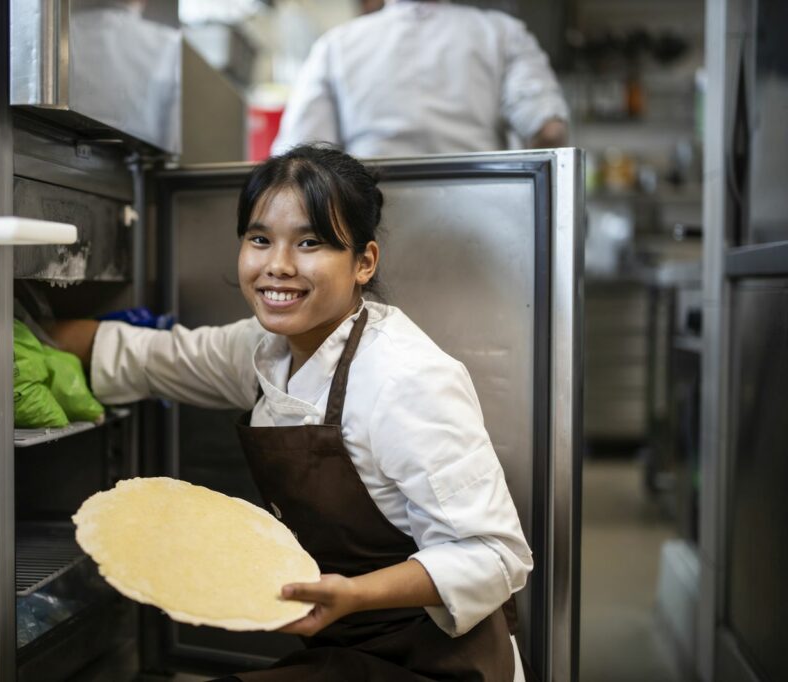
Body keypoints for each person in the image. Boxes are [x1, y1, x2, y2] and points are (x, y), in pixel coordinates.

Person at [49, 144, 533, 681]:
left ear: (364, 262)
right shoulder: (265, 349)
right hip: (345, 649)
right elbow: (156, 357)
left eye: (309, 242)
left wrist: (354, 594)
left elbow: (495, 554)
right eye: (260, 239)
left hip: (441, 660)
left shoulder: (405, 379)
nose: (277, 266)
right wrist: (16, 332)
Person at [271, 0, 569, 157]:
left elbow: (301, 155)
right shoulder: (502, 34)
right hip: (485, 220)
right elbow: (550, 130)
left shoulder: (336, 46)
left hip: (368, 224)